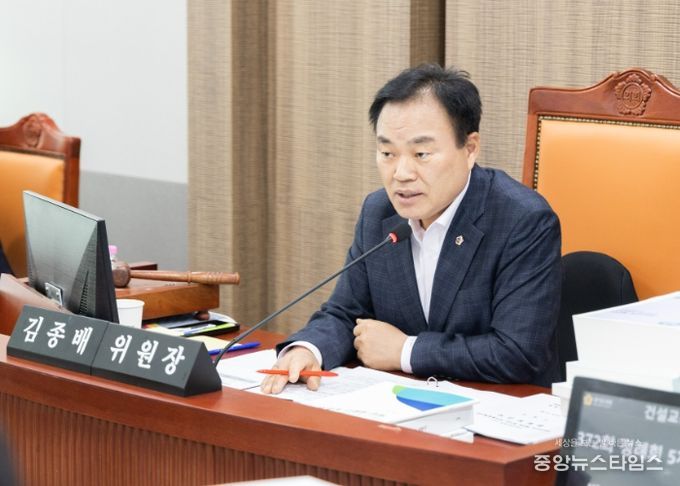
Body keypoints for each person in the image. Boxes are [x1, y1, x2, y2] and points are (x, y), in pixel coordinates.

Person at [261, 64, 561, 394]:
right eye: (387, 153)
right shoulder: (379, 212)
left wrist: (406, 351)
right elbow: (346, 313)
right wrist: (308, 350)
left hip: (496, 409)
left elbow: (517, 352)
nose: (401, 173)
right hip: (399, 406)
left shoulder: (522, 220)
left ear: (470, 149)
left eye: (421, 154)